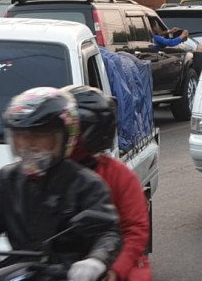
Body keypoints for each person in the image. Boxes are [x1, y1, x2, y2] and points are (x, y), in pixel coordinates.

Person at [0, 87, 122, 281]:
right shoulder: (6, 180)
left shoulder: (86, 183)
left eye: (39, 136)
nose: (28, 145)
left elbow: (108, 233)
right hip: (18, 273)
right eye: (21, 137)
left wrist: (95, 260)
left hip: (71, 276)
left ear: (65, 138)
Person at [68, 85, 152, 281]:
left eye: (72, 129)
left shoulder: (119, 175)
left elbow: (136, 229)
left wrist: (115, 270)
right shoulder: (48, 172)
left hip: (111, 262)